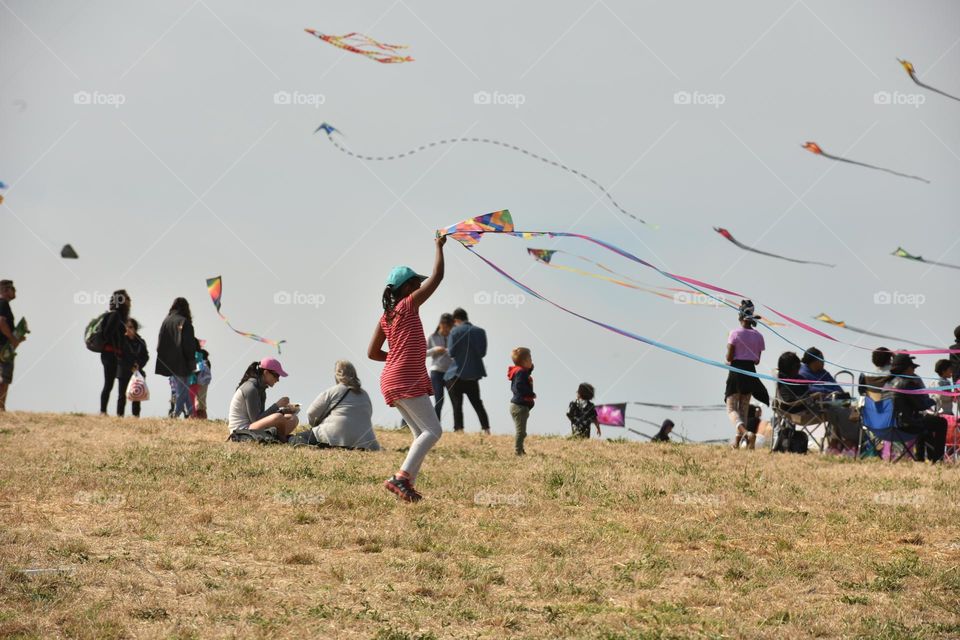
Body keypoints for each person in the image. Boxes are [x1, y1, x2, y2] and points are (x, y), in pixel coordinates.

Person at [368, 236, 445, 502]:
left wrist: (397, 356)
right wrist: (439, 246)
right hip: (405, 377)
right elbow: (437, 278)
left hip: (391, 378)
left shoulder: (386, 316)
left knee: (419, 433)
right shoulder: (408, 305)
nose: (421, 285)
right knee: (433, 432)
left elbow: (372, 353)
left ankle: (407, 485)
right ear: (408, 287)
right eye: (416, 283)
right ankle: (401, 478)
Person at [884, 353, 947, 463]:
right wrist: (932, 400)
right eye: (912, 367)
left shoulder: (887, 383)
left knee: (923, 422)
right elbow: (921, 405)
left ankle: (920, 458)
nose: (914, 370)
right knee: (941, 422)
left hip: (888, 425)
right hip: (905, 425)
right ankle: (937, 459)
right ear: (906, 369)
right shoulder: (907, 383)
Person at [304, 360, 381, 450]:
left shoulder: (333, 391)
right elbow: (368, 414)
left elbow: (311, 413)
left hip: (334, 436)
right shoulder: (364, 394)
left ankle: (307, 446)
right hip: (365, 442)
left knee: (297, 438)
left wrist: (314, 425)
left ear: (337, 375)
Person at [725, 300, 770, 448]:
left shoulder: (734, 333)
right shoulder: (758, 336)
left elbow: (729, 357)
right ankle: (738, 443)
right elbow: (756, 360)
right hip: (750, 372)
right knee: (744, 408)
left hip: (736, 372)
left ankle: (746, 433)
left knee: (732, 408)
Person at [444, 308, 490, 434]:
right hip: (473, 374)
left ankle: (459, 429)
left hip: (456, 374)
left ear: (456, 320)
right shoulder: (480, 331)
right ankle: (486, 429)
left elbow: (452, 352)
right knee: (477, 403)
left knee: (457, 405)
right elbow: (482, 353)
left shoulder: (455, 331)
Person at [228, 357, 299, 439]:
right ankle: (281, 438)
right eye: (276, 375)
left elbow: (262, 416)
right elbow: (256, 420)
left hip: (252, 427)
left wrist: (283, 411)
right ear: (266, 373)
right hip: (241, 432)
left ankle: (277, 437)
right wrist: (277, 405)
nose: (278, 379)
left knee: (293, 418)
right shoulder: (251, 388)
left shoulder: (261, 389)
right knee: (278, 417)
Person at [155, 298, 196, 418]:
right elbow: (189, 346)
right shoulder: (184, 322)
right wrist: (191, 362)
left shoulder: (166, 321)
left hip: (169, 361)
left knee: (183, 388)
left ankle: (191, 414)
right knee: (182, 390)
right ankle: (176, 414)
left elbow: (159, 343)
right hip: (182, 361)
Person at [99, 290, 132, 415]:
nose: (130, 301)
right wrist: (116, 344)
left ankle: (106, 411)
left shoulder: (118, 316)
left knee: (111, 384)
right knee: (109, 384)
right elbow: (107, 334)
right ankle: (103, 411)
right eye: (127, 298)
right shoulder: (115, 316)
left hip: (112, 354)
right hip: (110, 354)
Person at [0, 280, 25, 412]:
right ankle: (1, 407)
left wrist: (18, 337)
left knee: (4, 377)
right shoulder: (3, 303)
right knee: (4, 377)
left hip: (4, 345)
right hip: (3, 346)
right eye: (12, 289)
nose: (14, 291)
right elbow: (1, 322)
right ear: (5, 290)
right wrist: (11, 338)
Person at [117, 318, 149, 418]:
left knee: (136, 396)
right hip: (124, 372)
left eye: (130, 327)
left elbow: (146, 356)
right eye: (126, 327)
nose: (128, 329)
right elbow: (119, 357)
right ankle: (120, 416)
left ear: (135, 329)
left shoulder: (141, 342)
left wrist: (139, 365)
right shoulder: (121, 341)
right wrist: (130, 366)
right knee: (122, 396)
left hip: (137, 373)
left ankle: (136, 416)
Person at [507, 347, 536, 456]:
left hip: (518, 406)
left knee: (521, 431)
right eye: (530, 359)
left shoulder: (520, 371)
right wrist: (530, 394)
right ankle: (518, 451)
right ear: (524, 362)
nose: (532, 361)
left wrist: (530, 368)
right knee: (521, 431)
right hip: (519, 406)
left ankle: (520, 450)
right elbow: (519, 385)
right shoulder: (521, 373)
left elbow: (525, 374)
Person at [426, 313, 454, 420]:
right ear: (441, 324)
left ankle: (458, 428)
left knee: (454, 400)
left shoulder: (453, 336)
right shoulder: (431, 336)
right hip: (436, 372)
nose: (448, 330)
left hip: (450, 372)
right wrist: (435, 350)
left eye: (450, 327)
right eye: (447, 327)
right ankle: (436, 424)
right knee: (439, 400)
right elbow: (422, 353)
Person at [194, 347, 212, 420]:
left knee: (199, 402)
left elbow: (196, 371)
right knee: (201, 402)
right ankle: (201, 418)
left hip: (200, 384)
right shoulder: (207, 363)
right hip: (204, 384)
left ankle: (201, 418)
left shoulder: (202, 363)